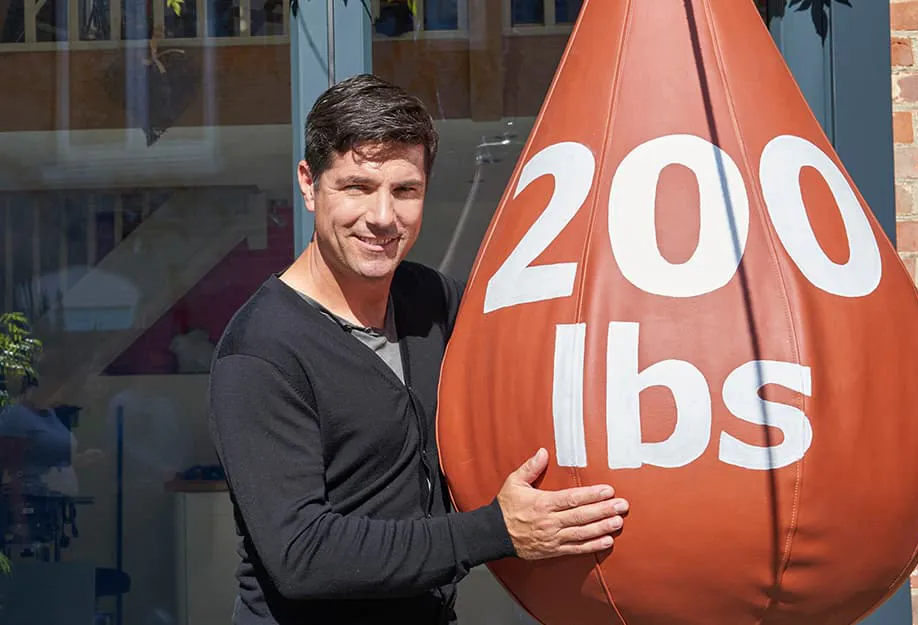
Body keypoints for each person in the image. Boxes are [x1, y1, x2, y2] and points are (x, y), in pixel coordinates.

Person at [207, 73, 629, 625]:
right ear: (309, 185)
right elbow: (302, 555)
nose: (383, 217)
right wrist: (497, 531)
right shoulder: (261, 353)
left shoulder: (430, 300)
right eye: (357, 187)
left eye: (404, 191)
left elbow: (541, 354)